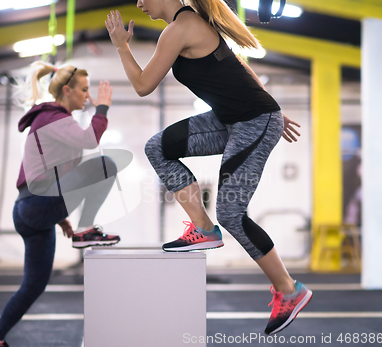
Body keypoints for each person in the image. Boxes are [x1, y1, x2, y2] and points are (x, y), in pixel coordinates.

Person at [105, 0, 311, 335]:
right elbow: (238, 64)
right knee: (158, 148)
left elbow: (143, 85)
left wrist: (121, 47)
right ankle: (203, 228)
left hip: (251, 121)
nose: (139, 3)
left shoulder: (179, 28)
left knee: (231, 213)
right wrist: (268, 104)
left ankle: (290, 290)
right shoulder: (193, 22)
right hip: (235, 119)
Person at [0, 63, 120, 347]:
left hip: (31, 210)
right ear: (67, 91)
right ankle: (86, 230)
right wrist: (102, 108)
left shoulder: (52, 120)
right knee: (106, 164)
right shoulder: (52, 118)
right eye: (83, 90)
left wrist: (57, 216)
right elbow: (90, 139)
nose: (87, 96)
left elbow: (44, 174)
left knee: (34, 285)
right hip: (34, 206)